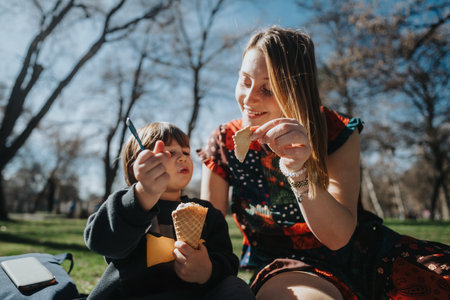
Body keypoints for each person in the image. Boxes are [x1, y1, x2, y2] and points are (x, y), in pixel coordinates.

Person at [198, 26, 450, 300]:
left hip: (369, 258)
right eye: (245, 81)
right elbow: (208, 238)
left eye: (267, 89)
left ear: (297, 90)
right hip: (287, 268)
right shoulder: (224, 143)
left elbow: (338, 236)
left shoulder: (335, 130)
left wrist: (297, 171)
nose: (248, 99)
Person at [85, 122, 255, 300]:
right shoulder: (127, 205)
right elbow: (101, 242)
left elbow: (228, 261)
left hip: (194, 295)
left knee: (236, 288)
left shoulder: (207, 213)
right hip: (133, 294)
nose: (182, 158)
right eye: (170, 152)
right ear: (139, 165)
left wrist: (208, 271)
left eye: (186, 152)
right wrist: (143, 195)